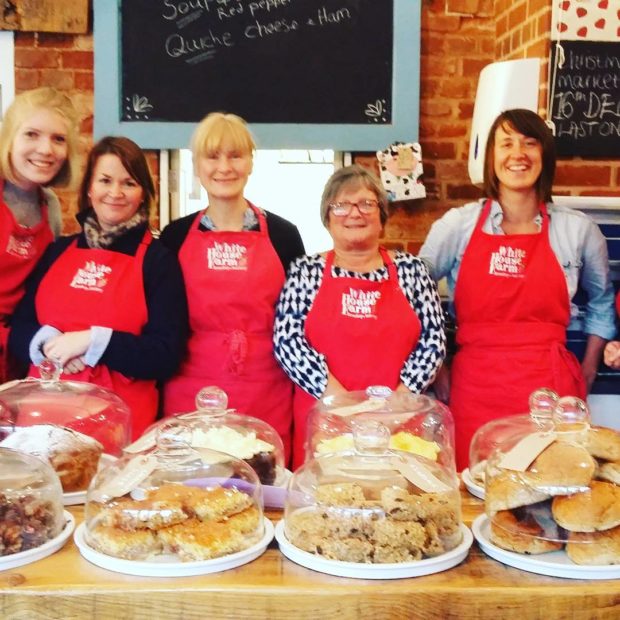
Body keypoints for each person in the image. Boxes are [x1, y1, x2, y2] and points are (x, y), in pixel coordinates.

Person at [418, 109, 616, 469]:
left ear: (545, 155)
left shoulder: (578, 230)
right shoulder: (457, 225)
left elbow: (602, 302)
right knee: (475, 481)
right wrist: (438, 368)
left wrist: (588, 369)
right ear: (491, 157)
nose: (518, 154)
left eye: (529, 143)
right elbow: (414, 294)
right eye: (506, 144)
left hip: (550, 386)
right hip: (475, 384)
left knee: (552, 482)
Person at [9, 136, 188, 438]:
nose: (115, 193)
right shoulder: (57, 251)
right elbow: (19, 329)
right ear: (89, 188)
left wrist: (92, 342)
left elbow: (165, 355)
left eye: (129, 183)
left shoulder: (159, 261)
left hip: (117, 430)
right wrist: (50, 344)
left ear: (143, 193)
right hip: (41, 427)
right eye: (105, 180)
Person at [273, 164, 446, 468]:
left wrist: (396, 407)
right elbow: (288, 343)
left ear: (382, 216)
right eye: (341, 205)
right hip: (326, 421)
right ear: (327, 217)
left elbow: (433, 341)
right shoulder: (305, 272)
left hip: (400, 423)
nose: (354, 213)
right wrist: (341, 405)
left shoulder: (412, 271)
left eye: (366, 203)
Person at [160, 112, 305, 458]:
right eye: (212, 156)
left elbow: (300, 321)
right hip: (191, 390)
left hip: (265, 390)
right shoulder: (174, 237)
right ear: (197, 165)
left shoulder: (284, 236)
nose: (224, 167)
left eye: (235, 155)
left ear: (251, 162)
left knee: (262, 480)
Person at [0, 87, 79, 383]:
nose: (46, 150)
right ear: (9, 139)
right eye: (31, 134)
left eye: (58, 139)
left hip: (16, 353)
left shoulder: (51, 206)